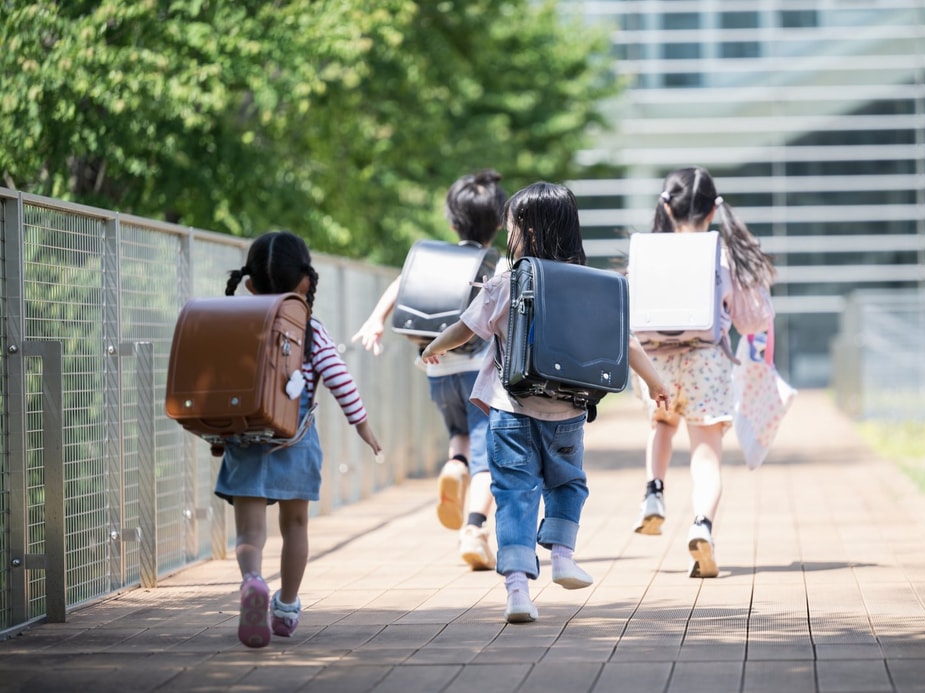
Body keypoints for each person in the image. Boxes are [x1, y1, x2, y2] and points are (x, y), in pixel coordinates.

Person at [420, 182, 669, 623]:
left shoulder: (508, 281)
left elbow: (466, 327)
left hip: (511, 409)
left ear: (526, 232)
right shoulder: (596, 287)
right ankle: (563, 554)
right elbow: (625, 344)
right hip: (569, 410)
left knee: (514, 494)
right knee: (568, 483)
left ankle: (517, 590)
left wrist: (433, 346)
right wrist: (657, 382)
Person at [215, 230, 382, 648]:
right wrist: (361, 425)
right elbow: (339, 378)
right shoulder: (309, 329)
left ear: (249, 284)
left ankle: (253, 581)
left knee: (250, 534)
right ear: (305, 282)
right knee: (296, 527)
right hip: (297, 441)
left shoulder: (237, 325)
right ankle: (286, 607)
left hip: (246, 440)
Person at [352, 169, 507, 571]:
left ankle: (454, 467)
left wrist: (375, 320)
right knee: (490, 457)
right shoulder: (499, 264)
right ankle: (474, 528)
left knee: (459, 436)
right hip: (481, 375)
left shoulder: (434, 258)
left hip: (437, 372)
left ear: (452, 221)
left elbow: (401, 283)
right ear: (499, 223)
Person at [630, 166, 775, 579]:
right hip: (707, 361)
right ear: (713, 211)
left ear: (666, 207)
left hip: (654, 361)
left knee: (661, 426)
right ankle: (702, 526)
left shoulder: (649, 251)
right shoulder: (725, 255)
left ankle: (653, 493)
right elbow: (753, 321)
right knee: (706, 454)